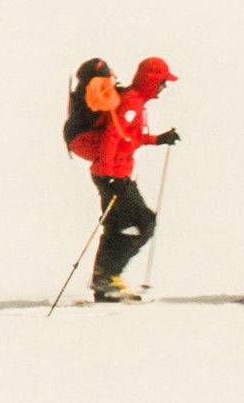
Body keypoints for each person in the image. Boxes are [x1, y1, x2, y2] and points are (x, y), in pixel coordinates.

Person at [64, 57, 180, 301]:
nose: (164, 87)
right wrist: (109, 175)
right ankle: (107, 278)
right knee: (144, 223)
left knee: (117, 226)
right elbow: (111, 138)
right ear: (152, 81)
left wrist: (158, 139)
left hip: (113, 173)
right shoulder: (131, 102)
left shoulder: (133, 100)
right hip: (113, 175)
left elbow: (129, 137)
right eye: (163, 82)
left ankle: (104, 284)